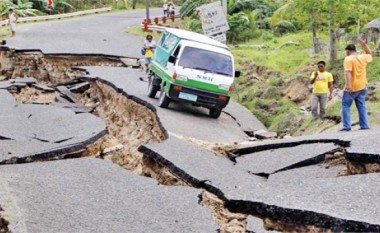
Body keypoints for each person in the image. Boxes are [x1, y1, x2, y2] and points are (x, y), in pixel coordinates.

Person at [340, 38, 373, 131]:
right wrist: (364, 45)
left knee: (345, 105)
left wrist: (348, 85)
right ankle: (364, 125)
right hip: (362, 86)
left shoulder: (348, 59)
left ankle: (346, 126)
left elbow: (348, 72)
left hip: (353, 87)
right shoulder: (363, 57)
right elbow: (370, 54)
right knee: (361, 105)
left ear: (348, 51)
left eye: (346, 51)